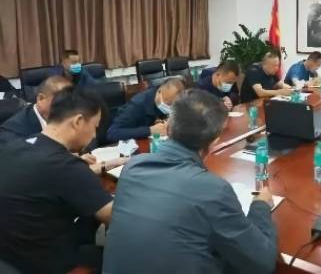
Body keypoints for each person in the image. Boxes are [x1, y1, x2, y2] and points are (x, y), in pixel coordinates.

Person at [103, 89, 278, 274]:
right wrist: (260, 206)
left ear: (168, 128)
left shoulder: (132, 168)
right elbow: (263, 263)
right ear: (214, 141)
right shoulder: (212, 190)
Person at [0, 87, 116, 274]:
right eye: (95, 127)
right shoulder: (66, 166)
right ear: (78, 121)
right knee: (121, 255)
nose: (95, 136)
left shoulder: (16, 146)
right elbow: (115, 216)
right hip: (43, 263)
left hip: (9, 255)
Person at [107, 78, 185, 142]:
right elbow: (112, 133)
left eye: (173, 106)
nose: (169, 108)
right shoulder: (137, 105)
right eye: (168, 103)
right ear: (159, 92)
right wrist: (150, 130)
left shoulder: (175, 102)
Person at [0, 76, 71, 145]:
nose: (67, 107)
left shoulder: (69, 117)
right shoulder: (13, 133)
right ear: (41, 98)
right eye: (61, 101)